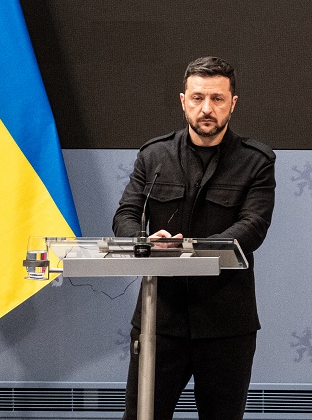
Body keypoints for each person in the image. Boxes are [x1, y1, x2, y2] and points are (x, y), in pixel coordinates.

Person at [114, 56, 276, 420]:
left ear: (233, 103)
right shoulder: (154, 156)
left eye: (217, 99)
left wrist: (192, 251)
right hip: (160, 319)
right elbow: (125, 216)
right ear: (183, 101)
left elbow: (253, 226)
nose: (206, 109)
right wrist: (144, 240)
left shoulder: (257, 161)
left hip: (226, 323)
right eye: (198, 97)